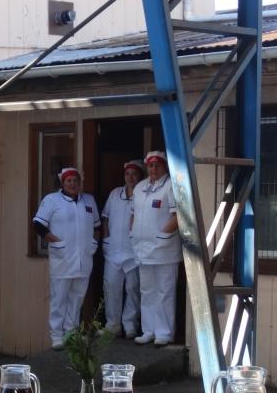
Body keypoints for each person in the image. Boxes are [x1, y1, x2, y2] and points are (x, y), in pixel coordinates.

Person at [32, 167, 101, 350]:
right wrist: (56, 242)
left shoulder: (89, 200)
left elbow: (97, 226)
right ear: (62, 182)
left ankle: (71, 332)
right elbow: (39, 225)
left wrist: (94, 243)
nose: (73, 184)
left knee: (77, 297)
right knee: (59, 298)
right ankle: (56, 335)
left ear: (80, 183)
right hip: (62, 257)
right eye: (69, 181)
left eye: (76, 181)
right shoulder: (51, 200)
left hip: (84, 257)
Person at [130, 150, 181, 346]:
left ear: (164, 166)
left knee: (164, 292)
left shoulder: (171, 186)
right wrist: (133, 233)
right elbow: (133, 214)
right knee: (147, 291)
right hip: (142, 250)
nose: (153, 169)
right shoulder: (139, 187)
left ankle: (164, 332)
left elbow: (178, 216)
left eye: (157, 165)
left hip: (164, 250)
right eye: (150, 166)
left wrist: (162, 236)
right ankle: (148, 330)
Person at [100, 160, 145, 338]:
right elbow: (105, 217)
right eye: (127, 174)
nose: (130, 177)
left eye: (134, 174)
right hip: (113, 250)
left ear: (140, 176)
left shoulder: (143, 194)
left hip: (133, 251)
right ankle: (113, 325)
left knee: (133, 289)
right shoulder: (115, 193)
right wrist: (106, 238)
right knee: (111, 288)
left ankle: (130, 325)